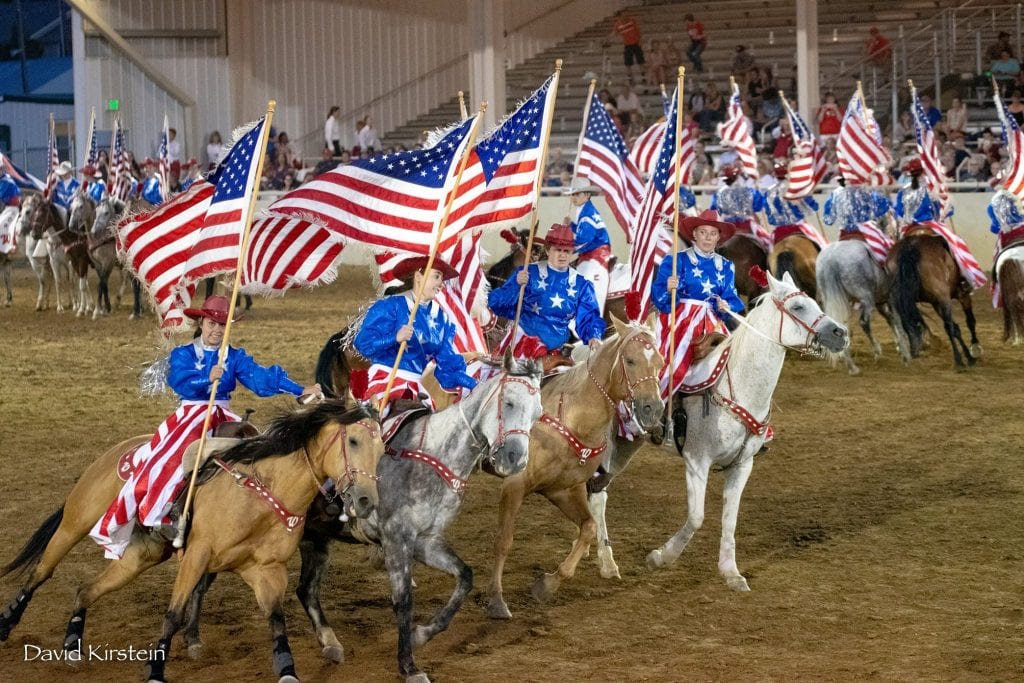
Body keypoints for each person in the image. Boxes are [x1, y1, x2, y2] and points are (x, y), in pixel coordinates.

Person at [89, 295, 318, 559]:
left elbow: (261, 378)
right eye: (212, 323)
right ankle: (165, 515)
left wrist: (299, 389)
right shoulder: (183, 353)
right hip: (191, 414)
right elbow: (178, 379)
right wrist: (204, 379)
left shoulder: (234, 356)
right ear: (201, 322)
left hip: (223, 414)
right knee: (172, 459)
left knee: (258, 452)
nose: (217, 330)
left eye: (222, 325)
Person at [354, 256, 477, 412]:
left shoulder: (443, 319)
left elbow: (448, 367)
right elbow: (363, 344)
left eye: (442, 279)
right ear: (418, 277)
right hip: (386, 380)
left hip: (418, 386)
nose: (441, 283)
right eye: (437, 276)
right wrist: (394, 338)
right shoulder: (390, 305)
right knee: (374, 429)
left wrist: (475, 385)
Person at [651, 209, 744, 417]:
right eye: (703, 232)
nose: (708, 238)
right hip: (681, 319)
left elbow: (731, 299)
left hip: (712, 320)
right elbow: (658, 298)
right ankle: (657, 409)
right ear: (694, 234)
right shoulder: (676, 260)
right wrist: (667, 287)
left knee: (738, 362)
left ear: (719, 237)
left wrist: (725, 306)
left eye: (713, 233)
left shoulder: (726, 266)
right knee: (673, 366)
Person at [488, 223, 605, 367]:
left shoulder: (582, 284)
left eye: (566, 251)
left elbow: (589, 316)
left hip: (557, 352)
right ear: (548, 250)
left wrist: (594, 336)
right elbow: (496, 303)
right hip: (522, 347)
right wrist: (516, 285)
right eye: (558, 250)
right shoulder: (527, 272)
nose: (562, 255)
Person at [564, 179, 612, 314]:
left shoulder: (587, 214)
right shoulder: (585, 210)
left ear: (587, 195)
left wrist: (567, 249)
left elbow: (585, 239)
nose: (573, 198)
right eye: (572, 195)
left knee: (583, 280)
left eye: (577, 194)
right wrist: (572, 225)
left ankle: (590, 315)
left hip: (595, 254)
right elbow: (584, 232)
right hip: (592, 250)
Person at [822, 178, 892, 262]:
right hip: (865, 228)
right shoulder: (865, 191)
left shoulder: (835, 193)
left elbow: (828, 220)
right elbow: (883, 208)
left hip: (844, 230)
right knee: (886, 251)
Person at [763, 162, 828, 249]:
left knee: (767, 251)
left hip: (779, 232)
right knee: (822, 246)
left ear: (774, 174)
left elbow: (769, 217)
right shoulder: (796, 190)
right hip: (798, 228)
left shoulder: (769, 192)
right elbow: (811, 210)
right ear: (787, 174)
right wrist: (810, 197)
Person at [710, 164, 771, 251]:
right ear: (737, 176)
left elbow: (714, 210)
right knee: (767, 243)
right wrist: (758, 191)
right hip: (746, 224)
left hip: (727, 227)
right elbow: (758, 206)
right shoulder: (748, 191)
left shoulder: (719, 193)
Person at [609, 9, 645, 86]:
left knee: (640, 62)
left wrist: (640, 40)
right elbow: (614, 32)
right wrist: (607, 38)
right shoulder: (618, 24)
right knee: (628, 64)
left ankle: (644, 78)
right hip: (628, 45)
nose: (625, 16)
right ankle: (631, 79)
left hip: (636, 43)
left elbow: (638, 30)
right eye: (623, 15)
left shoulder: (632, 21)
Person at [0, 168, 21, 257]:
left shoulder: (6, 181)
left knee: (2, 223)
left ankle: (10, 246)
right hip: (4, 207)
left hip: (12, 207)